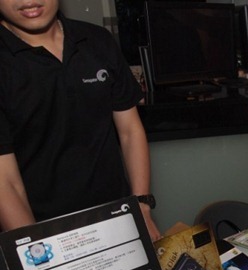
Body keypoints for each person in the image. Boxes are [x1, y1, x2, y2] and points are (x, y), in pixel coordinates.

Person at [0, 0, 160, 241]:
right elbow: (5, 181)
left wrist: (141, 206)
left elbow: (130, 131)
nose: (28, 0)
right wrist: (34, 249)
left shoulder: (97, 40)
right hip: (46, 232)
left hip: (117, 218)